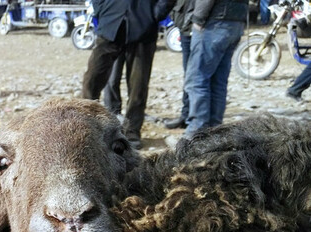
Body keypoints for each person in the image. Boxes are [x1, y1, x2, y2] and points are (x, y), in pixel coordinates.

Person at [81, 0, 172, 149]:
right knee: (92, 78)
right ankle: (87, 124)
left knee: (138, 84)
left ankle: (132, 131)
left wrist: (156, 13)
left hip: (143, 26)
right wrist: (101, 9)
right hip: (111, 22)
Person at [182, 0, 247, 138]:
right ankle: (215, 132)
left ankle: (195, 134)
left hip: (214, 23)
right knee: (218, 82)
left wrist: (198, 19)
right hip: (236, 21)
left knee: (197, 81)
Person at [163, 0, 195, 129]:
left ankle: (194, 119)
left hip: (197, 25)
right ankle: (187, 115)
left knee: (196, 78)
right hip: (186, 25)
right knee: (190, 76)